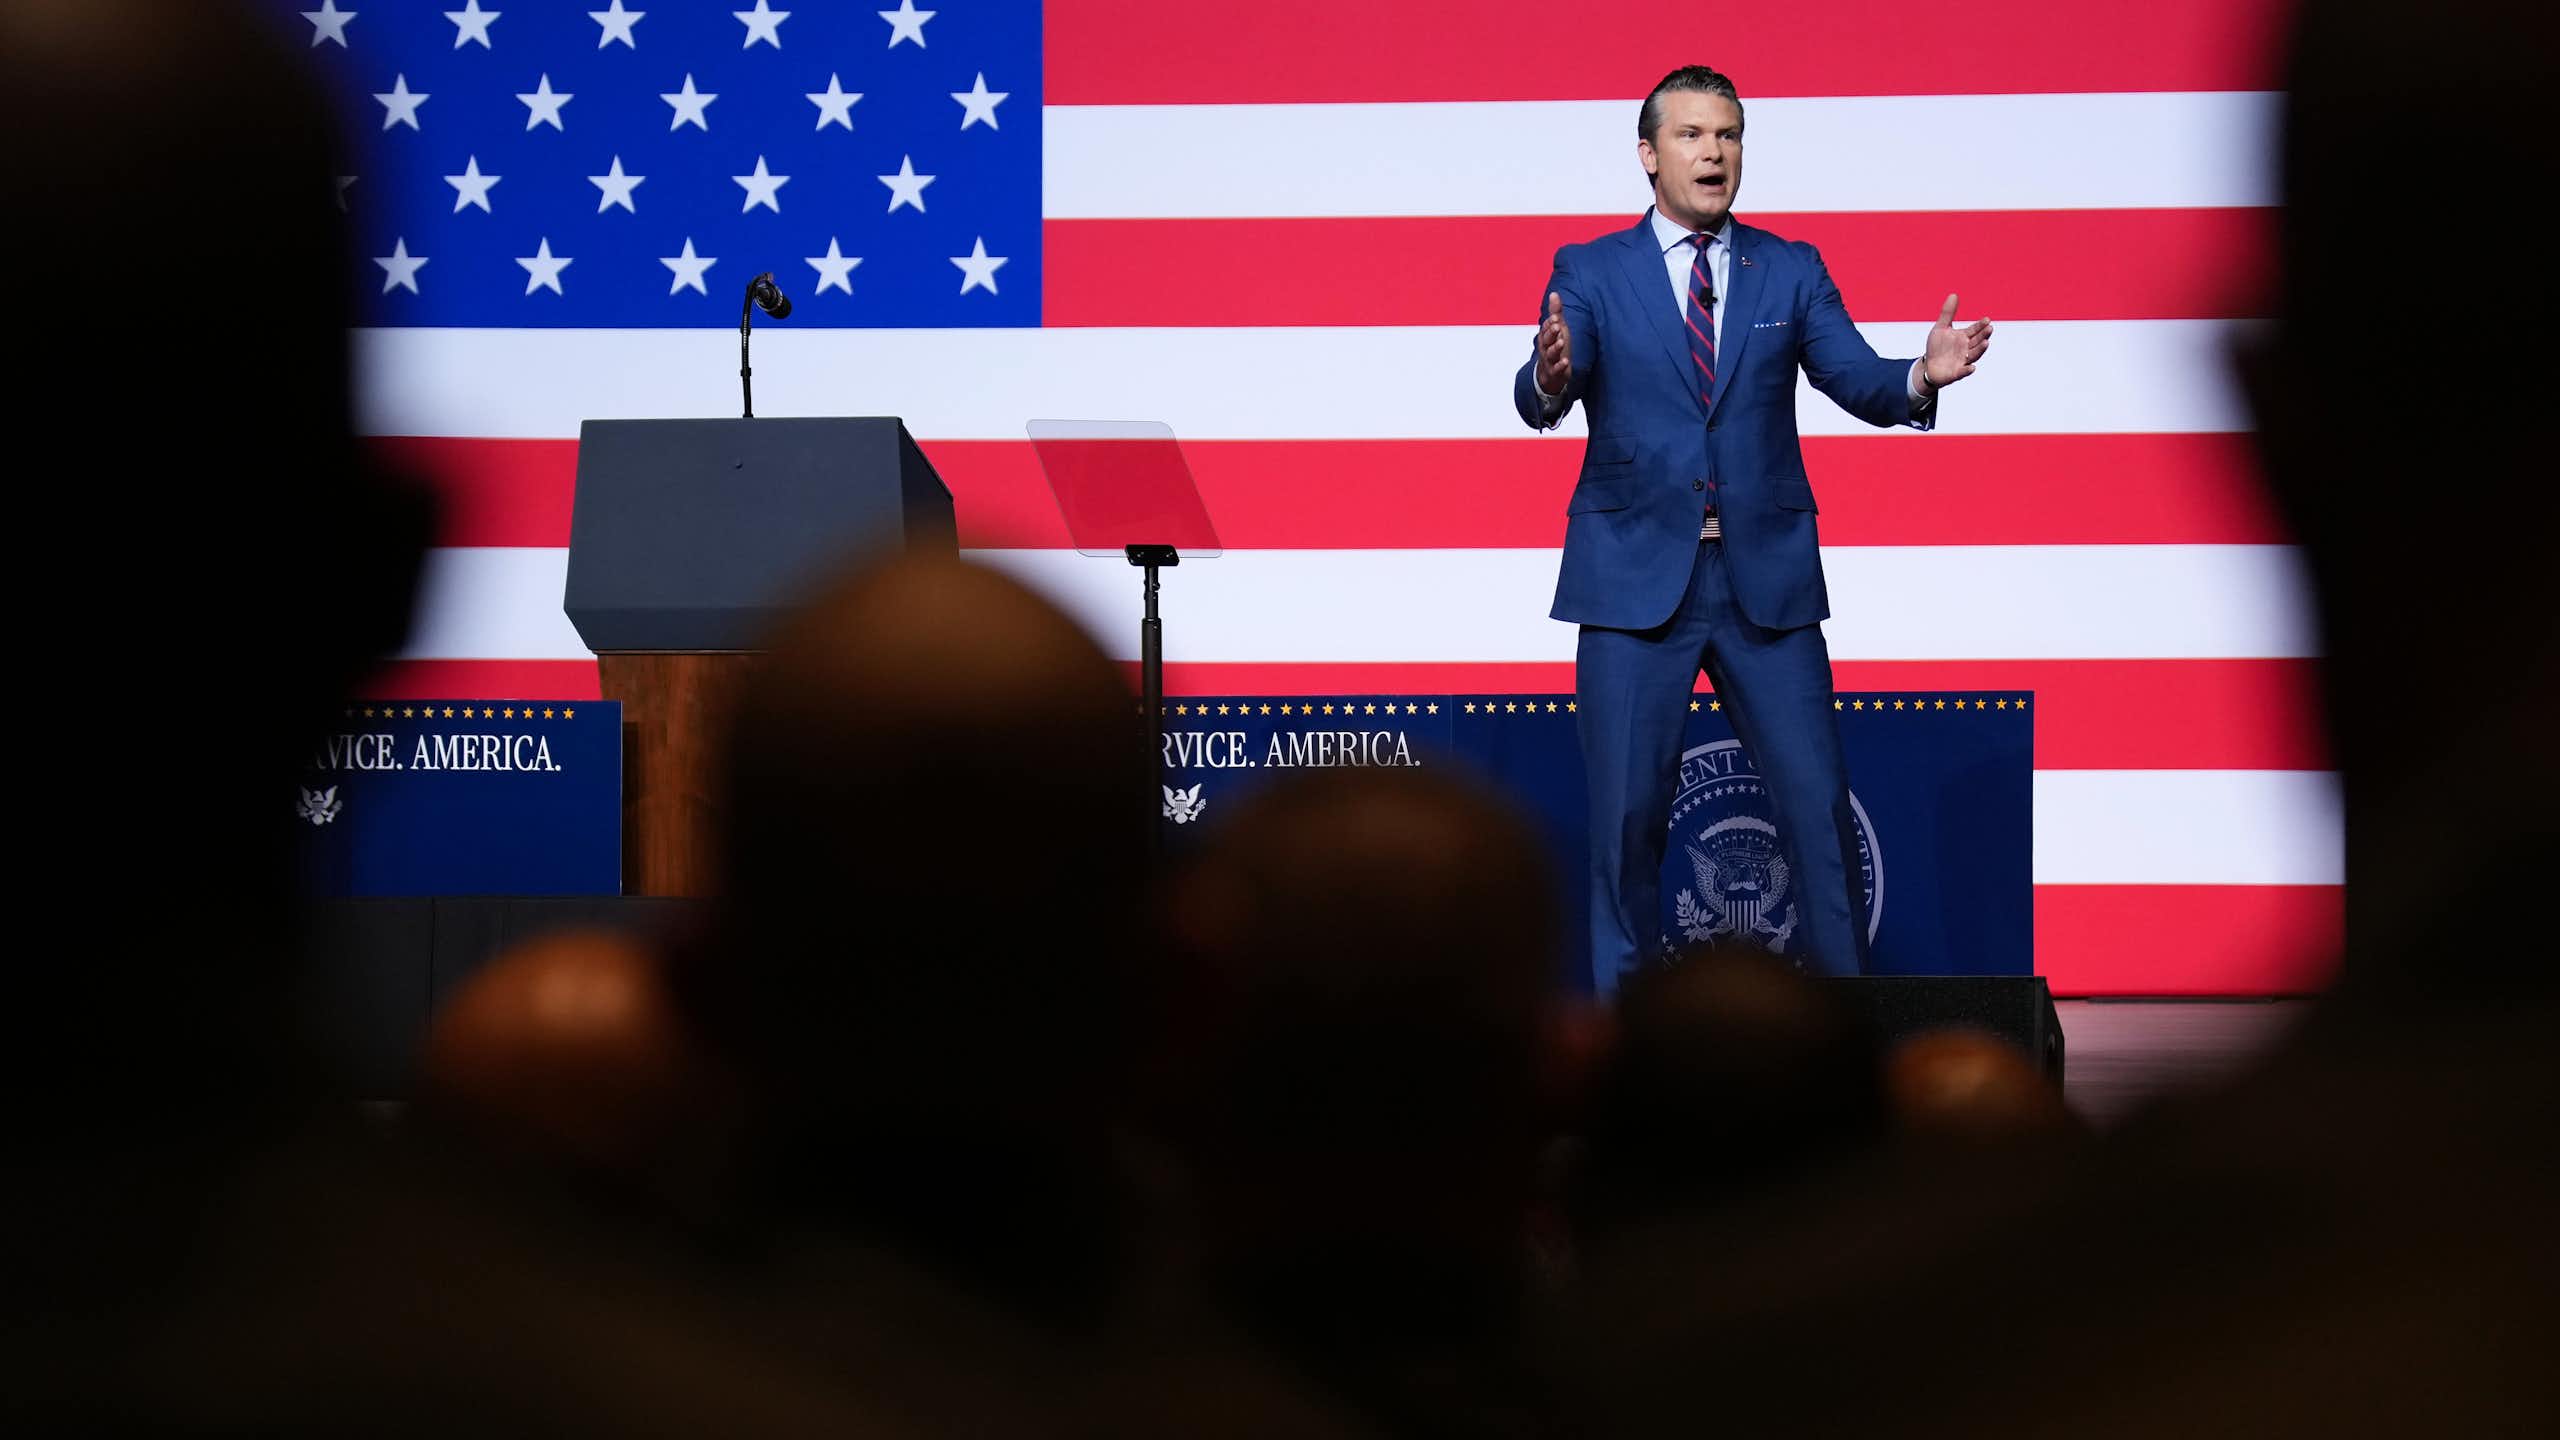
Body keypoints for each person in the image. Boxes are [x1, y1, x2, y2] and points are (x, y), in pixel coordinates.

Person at [1514, 65, 1992, 986]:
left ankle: (1842, 1041)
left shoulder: (1790, 266)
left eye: (1728, 135)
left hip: (1763, 585)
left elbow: (1855, 377)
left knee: (1818, 815)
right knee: (1626, 829)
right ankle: (1629, 1055)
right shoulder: (1590, 269)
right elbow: (1543, 391)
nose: (1714, 152)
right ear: (1649, 156)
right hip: (1630, 585)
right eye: (1692, 135)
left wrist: (1921, 376)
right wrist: (1548, 375)